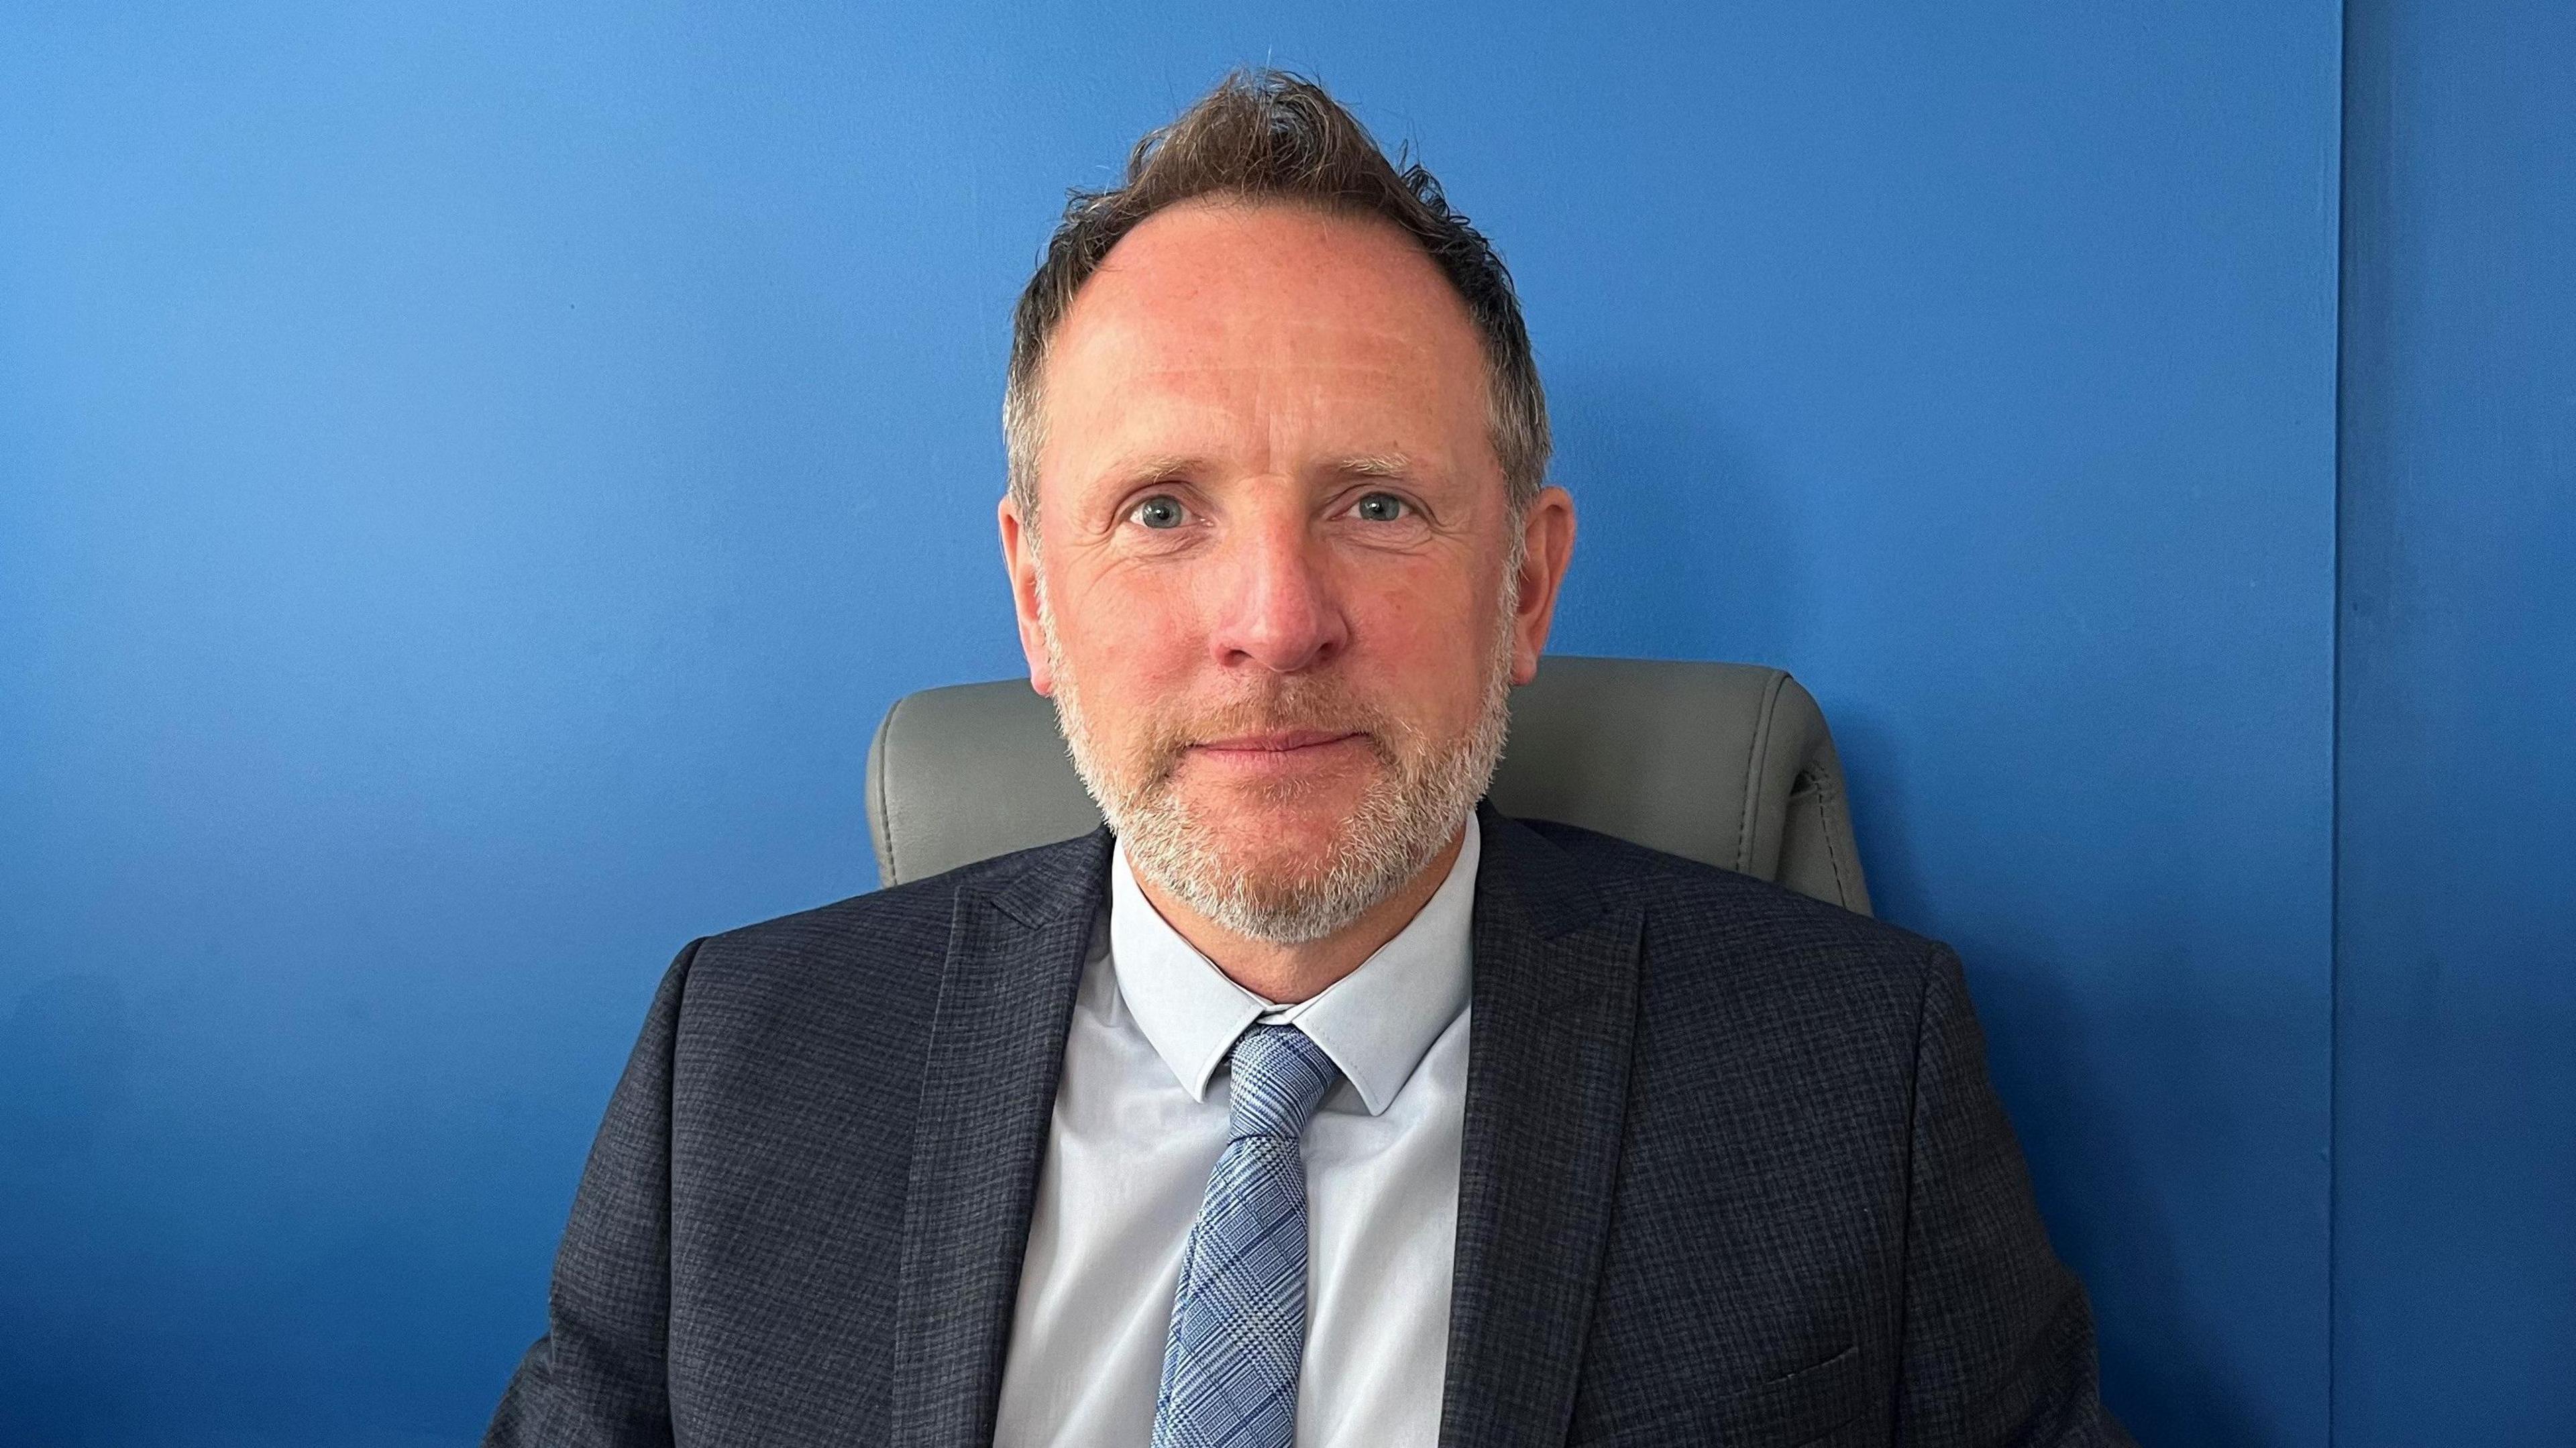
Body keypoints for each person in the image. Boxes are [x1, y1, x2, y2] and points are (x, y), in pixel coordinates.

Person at [485, 70, 2131, 1448]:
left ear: (1527, 586)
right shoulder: (740, 1065)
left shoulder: (1854, 1081)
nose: (1275, 622)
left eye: (1378, 505)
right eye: (1160, 511)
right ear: (1036, 599)